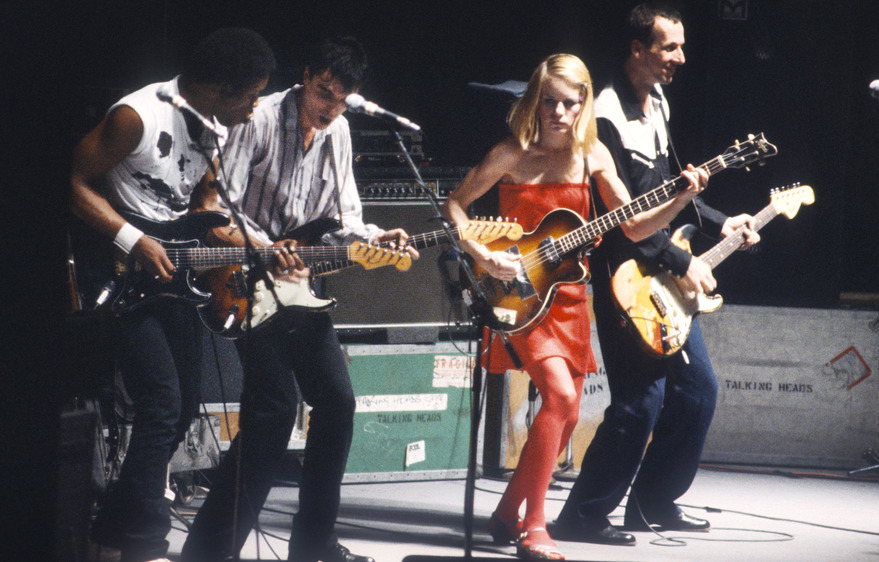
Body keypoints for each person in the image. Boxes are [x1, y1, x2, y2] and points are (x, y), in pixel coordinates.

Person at [444, 53, 704, 560]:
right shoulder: (511, 153)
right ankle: (533, 527)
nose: (559, 113)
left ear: (583, 104)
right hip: (516, 293)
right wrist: (481, 251)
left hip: (567, 297)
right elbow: (456, 205)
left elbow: (633, 226)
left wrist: (678, 199)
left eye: (570, 103)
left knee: (563, 416)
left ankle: (505, 514)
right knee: (561, 398)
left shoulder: (594, 156)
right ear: (535, 101)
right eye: (549, 102)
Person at [181, 37, 416, 562]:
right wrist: (265, 249)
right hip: (239, 277)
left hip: (296, 285)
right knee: (273, 410)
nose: (329, 107)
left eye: (340, 99)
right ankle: (208, 552)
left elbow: (344, 220)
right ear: (306, 76)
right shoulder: (260, 118)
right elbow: (214, 211)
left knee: (337, 402)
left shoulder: (340, 133)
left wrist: (375, 240)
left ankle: (314, 547)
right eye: (323, 92)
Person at [553, 2, 760, 546]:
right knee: (639, 402)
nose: (680, 58)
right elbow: (621, 222)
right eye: (670, 47)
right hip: (625, 278)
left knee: (697, 394)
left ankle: (651, 504)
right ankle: (581, 516)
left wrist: (719, 221)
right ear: (637, 50)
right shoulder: (603, 116)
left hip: (664, 277)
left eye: (681, 46)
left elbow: (671, 188)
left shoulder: (658, 102)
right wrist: (682, 261)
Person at [69, 28, 276, 562]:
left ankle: (108, 536)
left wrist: (252, 244)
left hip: (174, 275)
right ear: (220, 90)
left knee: (182, 407)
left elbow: (201, 202)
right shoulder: (136, 116)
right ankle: (145, 544)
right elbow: (70, 181)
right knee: (161, 403)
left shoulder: (215, 126)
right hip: (118, 271)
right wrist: (133, 240)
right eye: (250, 97)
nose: (254, 109)